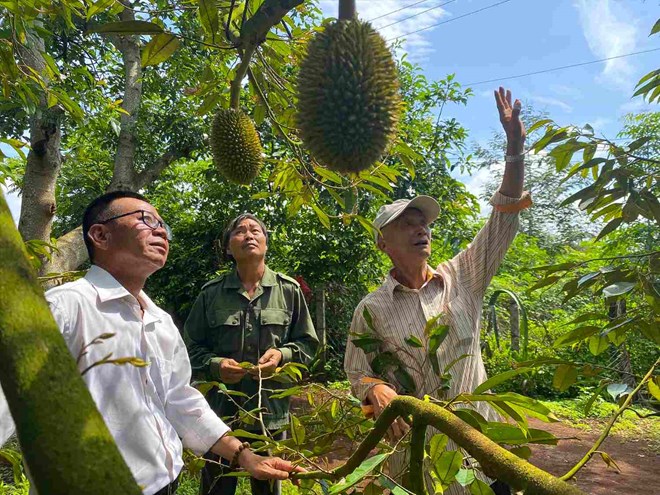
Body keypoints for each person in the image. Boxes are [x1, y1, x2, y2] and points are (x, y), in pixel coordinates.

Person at [17, 191, 301, 495]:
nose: (161, 230)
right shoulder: (64, 308)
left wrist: (244, 455)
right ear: (100, 235)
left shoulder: (161, 322)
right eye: (146, 219)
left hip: (166, 483)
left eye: (163, 224)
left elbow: (180, 401)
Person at [344, 87, 531, 495]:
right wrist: (374, 387)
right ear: (383, 243)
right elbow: (357, 370)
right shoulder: (370, 309)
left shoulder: (464, 275)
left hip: (481, 452)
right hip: (416, 461)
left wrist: (514, 148)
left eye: (423, 222)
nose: (421, 229)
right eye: (407, 223)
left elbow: (503, 213)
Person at [184, 213, 318, 495]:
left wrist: (282, 355)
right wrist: (215, 364)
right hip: (221, 414)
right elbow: (189, 347)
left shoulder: (288, 291)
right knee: (216, 487)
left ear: (266, 243)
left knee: (268, 487)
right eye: (240, 231)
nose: (248, 235)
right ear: (228, 247)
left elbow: (308, 344)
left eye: (255, 230)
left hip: (269, 411)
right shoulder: (211, 294)